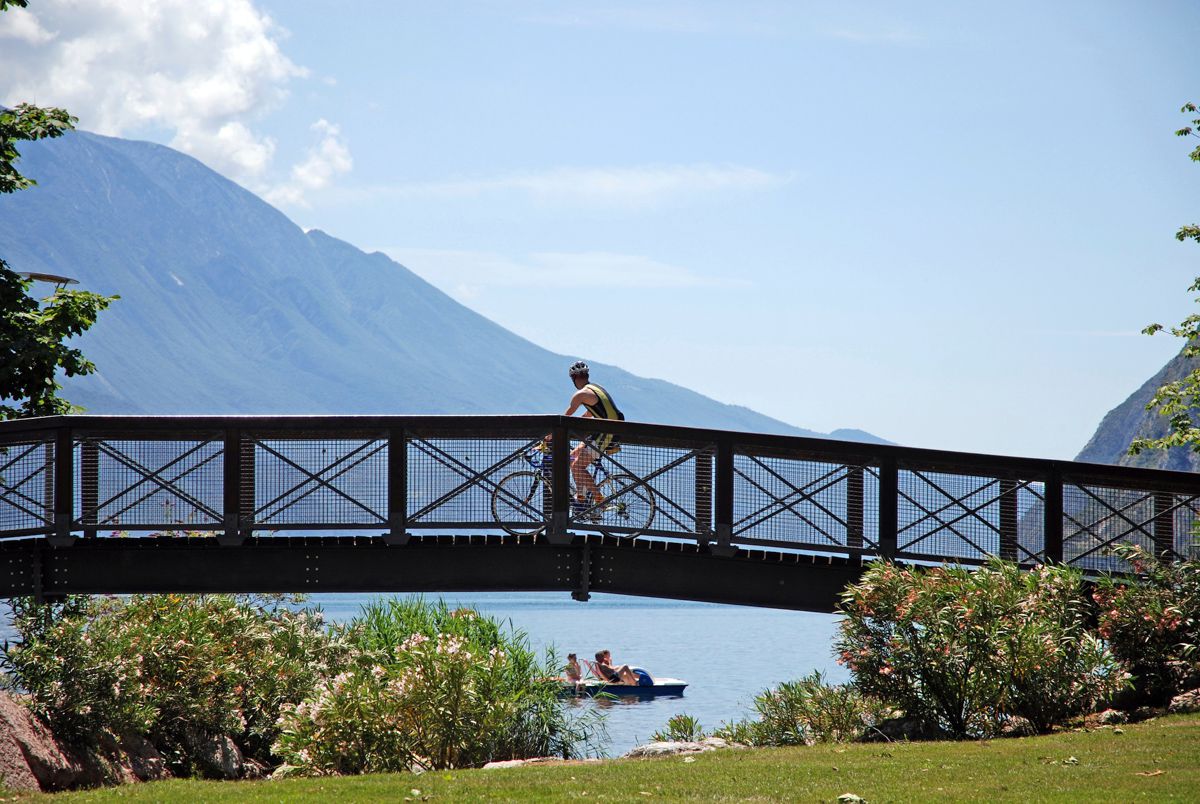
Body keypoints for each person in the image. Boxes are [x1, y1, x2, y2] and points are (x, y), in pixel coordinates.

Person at [560, 361, 624, 512]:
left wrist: (550, 435)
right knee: (572, 457)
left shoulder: (580, 395)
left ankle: (600, 500)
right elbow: (588, 415)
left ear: (574, 378)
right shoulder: (595, 389)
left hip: (607, 432)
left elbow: (565, 418)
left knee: (577, 466)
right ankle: (581, 498)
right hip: (606, 430)